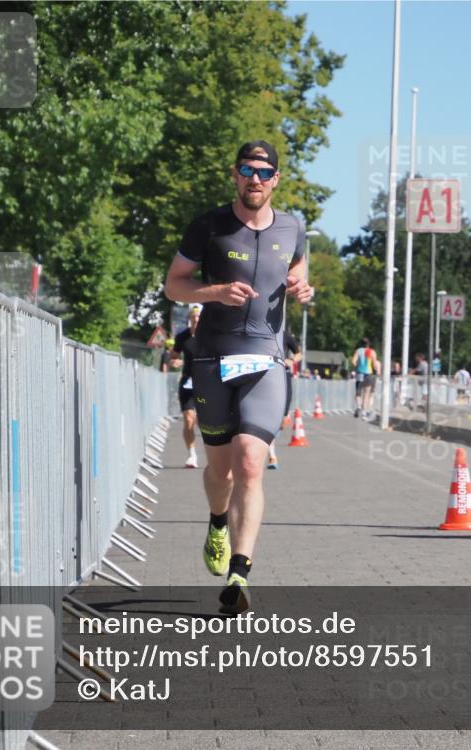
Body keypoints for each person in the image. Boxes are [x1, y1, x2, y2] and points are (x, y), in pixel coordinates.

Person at [164, 139, 312, 614]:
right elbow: (174, 284)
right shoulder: (208, 225)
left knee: (251, 461)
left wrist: (303, 288)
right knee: (221, 470)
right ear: (235, 174)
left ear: (276, 180)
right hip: (212, 361)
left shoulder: (293, 228)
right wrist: (215, 292)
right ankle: (216, 522)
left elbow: (299, 274)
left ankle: (239, 574)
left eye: (265, 172)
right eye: (248, 170)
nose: (256, 179)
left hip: (266, 359)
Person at [172, 305, 202, 468]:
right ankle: (192, 455)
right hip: (187, 382)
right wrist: (175, 361)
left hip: (205, 383)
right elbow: (174, 355)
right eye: (193, 317)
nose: (196, 320)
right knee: (188, 419)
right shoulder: (182, 337)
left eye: (198, 317)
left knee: (203, 420)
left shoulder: (209, 335)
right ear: (189, 318)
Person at [268, 329, 300, 470]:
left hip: (284, 377)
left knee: (282, 419)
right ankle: (272, 455)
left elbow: (299, 354)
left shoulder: (285, 335)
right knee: (269, 418)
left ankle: (269, 438)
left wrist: (291, 360)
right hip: (268, 376)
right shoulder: (263, 333)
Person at [351, 337, 380, 419]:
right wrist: (377, 370)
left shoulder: (358, 351)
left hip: (360, 373)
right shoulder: (372, 352)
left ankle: (359, 406)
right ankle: (364, 411)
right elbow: (374, 364)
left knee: (358, 391)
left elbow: (353, 361)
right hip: (368, 374)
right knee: (367, 392)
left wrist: (357, 367)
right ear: (369, 344)